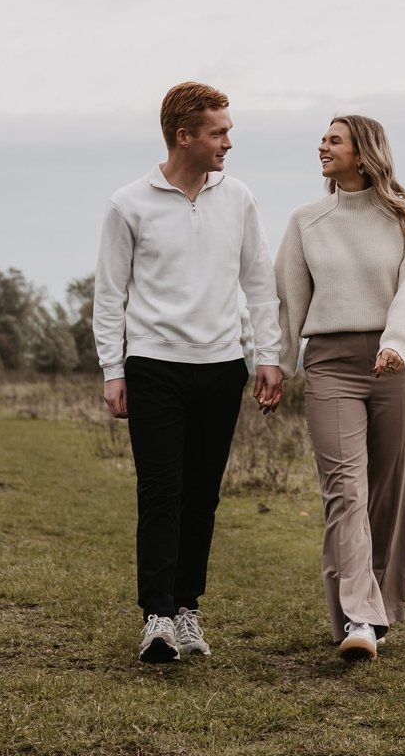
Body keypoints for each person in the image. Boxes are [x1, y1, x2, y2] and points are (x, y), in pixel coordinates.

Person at [93, 81, 286, 663]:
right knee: (160, 492)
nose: (229, 141)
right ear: (185, 136)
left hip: (223, 366)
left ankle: (186, 612)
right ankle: (155, 617)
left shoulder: (239, 198)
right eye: (219, 132)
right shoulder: (129, 203)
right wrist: (112, 367)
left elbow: (259, 283)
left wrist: (268, 355)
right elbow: (110, 294)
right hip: (153, 367)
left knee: (202, 497)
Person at [273, 114, 405, 662]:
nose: (321, 146)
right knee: (346, 491)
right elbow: (289, 301)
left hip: (398, 364)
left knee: (389, 495)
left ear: (362, 153)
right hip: (332, 365)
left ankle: (374, 612)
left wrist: (397, 342)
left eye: (333, 139)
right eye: (322, 138)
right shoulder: (306, 221)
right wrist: (278, 365)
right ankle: (359, 617)